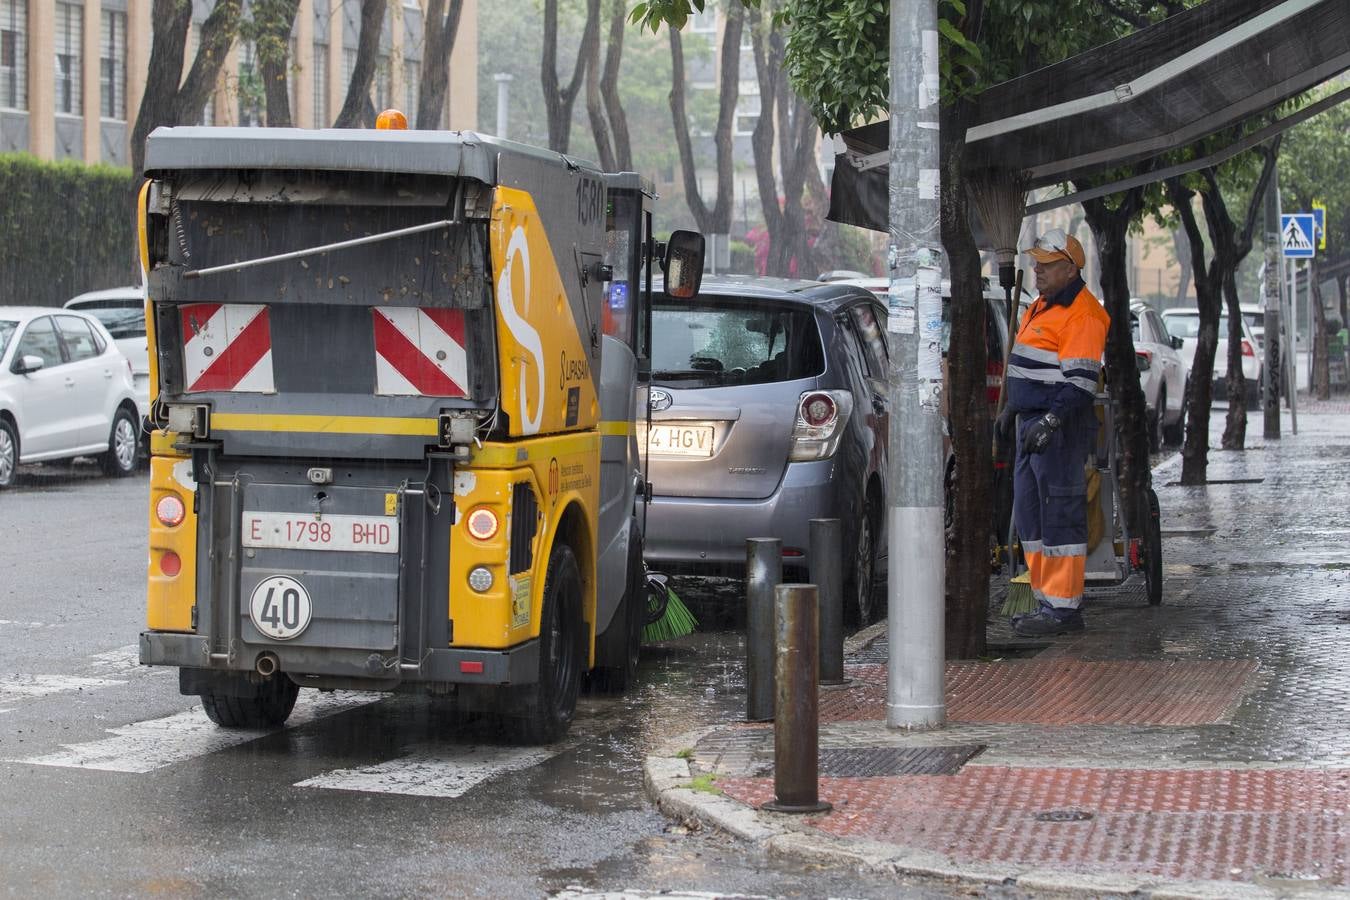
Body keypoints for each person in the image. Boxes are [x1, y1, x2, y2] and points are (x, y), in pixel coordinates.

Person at [996, 229, 1110, 636]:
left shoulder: (1083, 314)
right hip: (1031, 423)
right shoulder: (1041, 305)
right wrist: (1011, 407)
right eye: (1036, 263)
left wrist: (1050, 422)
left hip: (1057, 430)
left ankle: (1064, 610)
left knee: (1059, 516)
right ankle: (1046, 601)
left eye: (1045, 264)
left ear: (1069, 268)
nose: (1037, 270)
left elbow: (1079, 385)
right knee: (1031, 517)